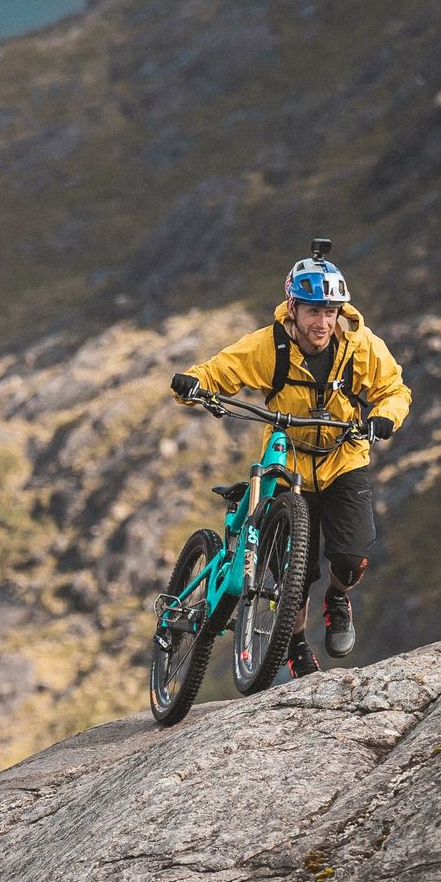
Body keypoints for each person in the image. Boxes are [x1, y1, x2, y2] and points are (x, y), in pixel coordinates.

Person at [167, 242, 410, 676]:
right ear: (293, 308)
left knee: (351, 559)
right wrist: (192, 384)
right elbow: (218, 371)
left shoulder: (361, 347)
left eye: (330, 311)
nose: (322, 322)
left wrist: (384, 418)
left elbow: (394, 391)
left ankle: (337, 599)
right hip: (289, 463)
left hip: (343, 458)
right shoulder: (269, 346)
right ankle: (294, 644)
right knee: (288, 576)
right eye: (313, 311)